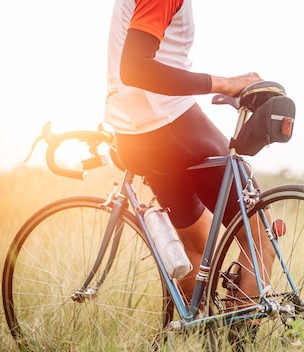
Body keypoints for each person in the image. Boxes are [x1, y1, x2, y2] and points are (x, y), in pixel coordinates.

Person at [104, 0, 267, 304]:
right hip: (170, 126)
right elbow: (135, 66)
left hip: (134, 134)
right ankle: (241, 350)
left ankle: (204, 334)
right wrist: (227, 84)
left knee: (195, 241)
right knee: (259, 236)